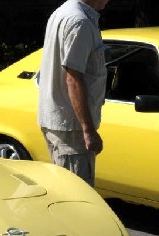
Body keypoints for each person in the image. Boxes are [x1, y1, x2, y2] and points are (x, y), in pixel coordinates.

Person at [37, 0, 108, 187]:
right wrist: (88, 130)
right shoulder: (80, 21)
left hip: (61, 122)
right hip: (72, 128)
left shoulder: (63, 12)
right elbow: (73, 79)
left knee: (66, 190)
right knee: (77, 195)